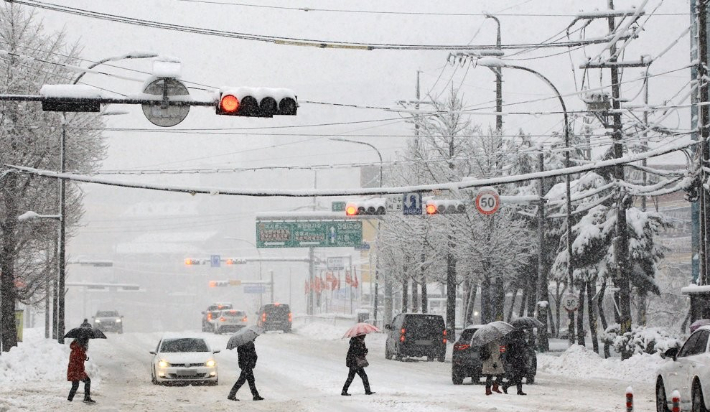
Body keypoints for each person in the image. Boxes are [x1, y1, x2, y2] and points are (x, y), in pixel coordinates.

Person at [67, 337, 95, 403]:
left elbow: (78, 358)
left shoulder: (78, 348)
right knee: (85, 381)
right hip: (76, 370)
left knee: (75, 385)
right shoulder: (78, 349)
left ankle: (69, 399)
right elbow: (76, 360)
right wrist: (82, 357)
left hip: (75, 370)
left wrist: (84, 356)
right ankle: (86, 397)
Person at [502, 330, 528, 396]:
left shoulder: (518, 341)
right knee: (518, 376)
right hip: (516, 360)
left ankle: (507, 386)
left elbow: (524, 349)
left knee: (518, 376)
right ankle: (518, 390)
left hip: (519, 360)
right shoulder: (514, 342)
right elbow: (511, 352)